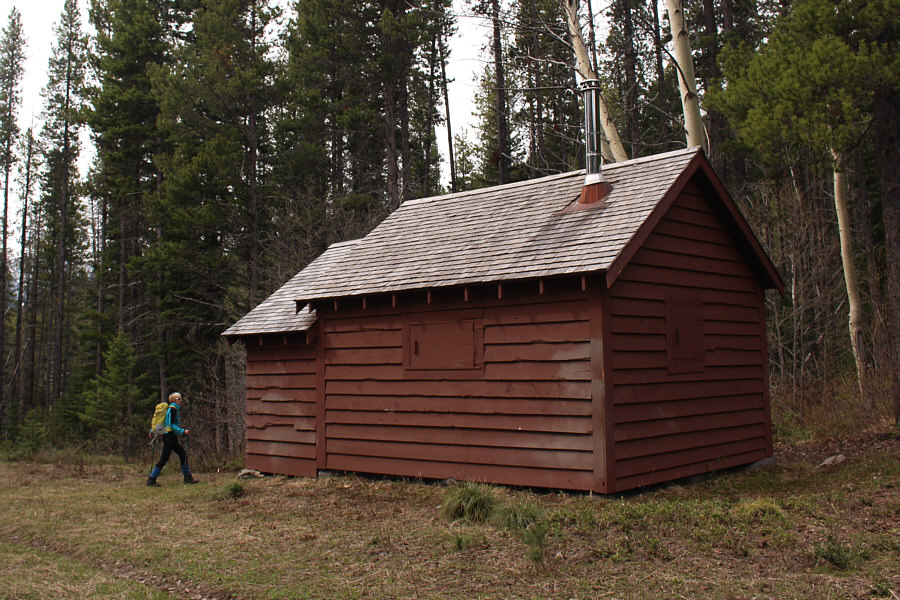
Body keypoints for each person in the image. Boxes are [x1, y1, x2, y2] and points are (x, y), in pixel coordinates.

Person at [147, 392, 199, 486]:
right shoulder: (172, 409)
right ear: (175, 400)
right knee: (164, 458)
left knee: (183, 454)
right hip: (169, 437)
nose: (181, 401)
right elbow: (171, 425)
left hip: (171, 437)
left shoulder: (172, 409)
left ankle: (188, 477)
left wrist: (151, 431)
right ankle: (151, 479)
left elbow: (165, 423)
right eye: (179, 399)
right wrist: (182, 431)